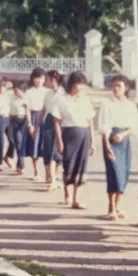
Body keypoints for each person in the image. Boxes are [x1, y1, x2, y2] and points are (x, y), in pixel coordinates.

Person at [51, 71, 95, 210]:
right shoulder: (62, 100)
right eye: (78, 84)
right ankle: (67, 195)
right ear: (71, 84)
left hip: (83, 135)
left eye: (83, 84)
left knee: (81, 166)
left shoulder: (86, 100)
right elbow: (57, 122)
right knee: (68, 165)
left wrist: (92, 141)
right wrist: (59, 141)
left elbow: (90, 122)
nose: (80, 87)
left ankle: (76, 199)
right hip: (68, 134)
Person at [97, 75, 138, 221]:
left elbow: (134, 125)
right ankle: (111, 207)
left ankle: (117, 205)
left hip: (124, 141)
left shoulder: (130, 105)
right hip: (110, 140)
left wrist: (124, 134)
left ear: (125, 88)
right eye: (113, 86)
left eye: (119, 86)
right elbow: (103, 126)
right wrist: (107, 145)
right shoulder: (106, 104)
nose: (115, 89)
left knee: (123, 174)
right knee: (113, 173)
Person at [39, 70, 65, 189]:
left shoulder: (63, 93)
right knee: (50, 150)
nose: (45, 81)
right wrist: (37, 123)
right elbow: (44, 109)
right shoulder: (48, 94)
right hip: (49, 121)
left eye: (47, 79)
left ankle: (55, 177)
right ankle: (52, 179)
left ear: (53, 80)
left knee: (59, 151)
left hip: (62, 121)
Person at [24, 68, 47, 180]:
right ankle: (36, 171)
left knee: (46, 146)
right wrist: (29, 124)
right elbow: (27, 109)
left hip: (46, 119)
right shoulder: (29, 92)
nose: (38, 80)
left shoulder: (47, 92)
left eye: (41, 78)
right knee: (34, 146)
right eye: (36, 78)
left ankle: (49, 173)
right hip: (34, 117)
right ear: (33, 79)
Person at [8, 82, 29, 174]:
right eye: (15, 90)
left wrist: (29, 123)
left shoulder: (26, 99)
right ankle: (22, 166)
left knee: (21, 144)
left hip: (23, 120)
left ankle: (19, 165)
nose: (16, 92)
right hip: (14, 120)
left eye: (18, 90)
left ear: (22, 91)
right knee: (18, 142)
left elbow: (28, 111)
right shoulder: (11, 98)